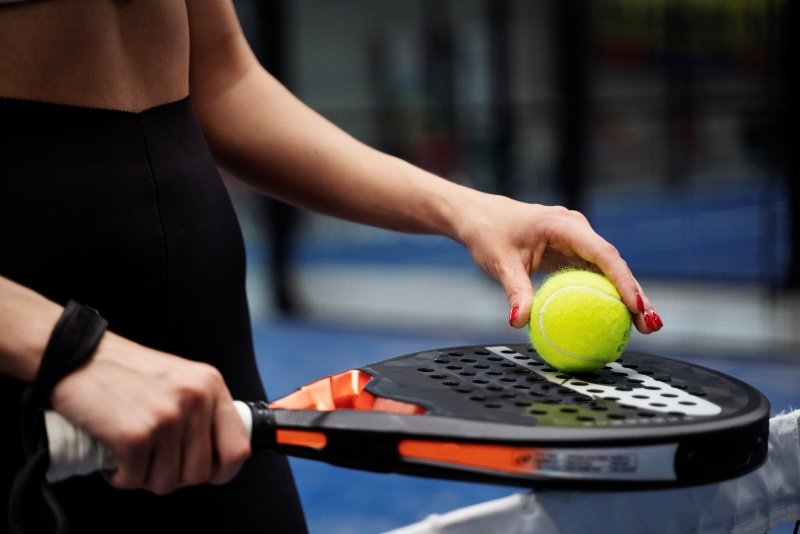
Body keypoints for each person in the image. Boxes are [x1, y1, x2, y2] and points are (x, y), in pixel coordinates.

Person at [0, 1, 663, 532]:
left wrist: (464, 209)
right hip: (36, 387)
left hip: (215, 379)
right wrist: (67, 350)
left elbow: (225, 79)